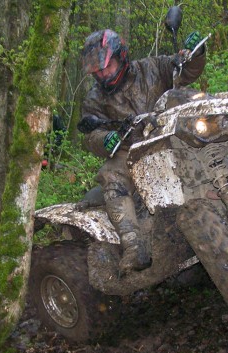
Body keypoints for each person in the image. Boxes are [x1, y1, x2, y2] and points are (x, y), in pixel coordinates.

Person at [78, 28, 206, 273]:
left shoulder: (152, 68)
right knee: (111, 177)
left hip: (169, 133)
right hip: (130, 150)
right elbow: (90, 132)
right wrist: (105, 139)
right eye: (98, 71)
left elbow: (184, 71)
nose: (103, 74)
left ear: (121, 56)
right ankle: (134, 245)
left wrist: (194, 53)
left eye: (107, 66)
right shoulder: (94, 99)